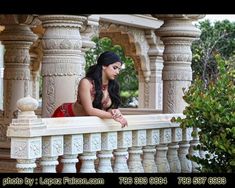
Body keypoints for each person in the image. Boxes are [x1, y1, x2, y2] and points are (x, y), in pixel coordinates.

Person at [51, 51, 128, 128]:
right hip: (66, 117)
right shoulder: (86, 83)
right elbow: (89, 110)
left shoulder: (113, 86)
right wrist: (113, 116)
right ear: (104, 66)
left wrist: (114, 112)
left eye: (119, 69)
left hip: (86, 124)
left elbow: (106, 109)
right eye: (115, 68)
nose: (117, 72)